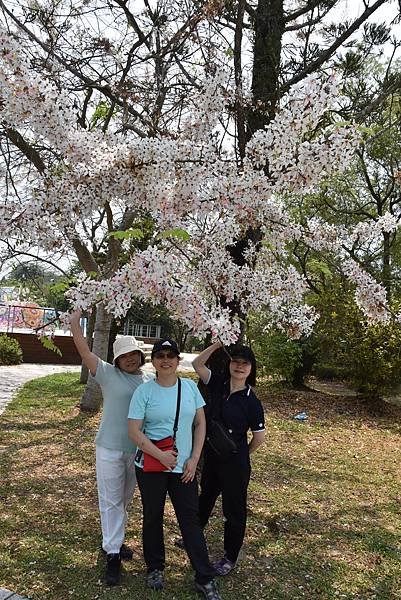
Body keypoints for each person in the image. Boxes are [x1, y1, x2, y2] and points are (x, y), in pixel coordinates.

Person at [128, 339, 222, 600]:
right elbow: (133, 431)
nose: (165, 360)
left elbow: (200, 424)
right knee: (152, 517)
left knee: (190, 521)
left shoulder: (190, 388)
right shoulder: (144, 392)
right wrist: (161, 456)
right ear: (154, 360)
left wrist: (194, 458)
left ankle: (204, 577)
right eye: (160, 355)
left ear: (178, 360)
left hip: (184, 468)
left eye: (170, 355)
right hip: (150, 466)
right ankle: (155, 567)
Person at [70, 309, 153, 586]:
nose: (130, 359)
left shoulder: (148, 380)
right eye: (124, 356)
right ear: (116, 360)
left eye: (134, 355)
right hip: (109, 448)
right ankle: (113, 554)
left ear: (141, 357)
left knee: (125, 499)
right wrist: (74, 322)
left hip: (137, 450)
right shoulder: (106, 373)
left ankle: (112, 541)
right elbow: (85, 352)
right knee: (110, 500)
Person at [192, 341, 265, 576]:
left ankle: (229, 556)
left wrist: (241, 454)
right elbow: (197, 363)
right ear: (229, 363)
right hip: (213, 457)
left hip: (235, 464)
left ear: (252, 369)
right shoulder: (218, 385)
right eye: (236, 361)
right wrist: (217, 344)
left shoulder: (252, 402)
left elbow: (259, 438)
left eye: (246, 363)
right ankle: (193, 536)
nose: (240, 366)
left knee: (234, 511)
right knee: (206, 498)